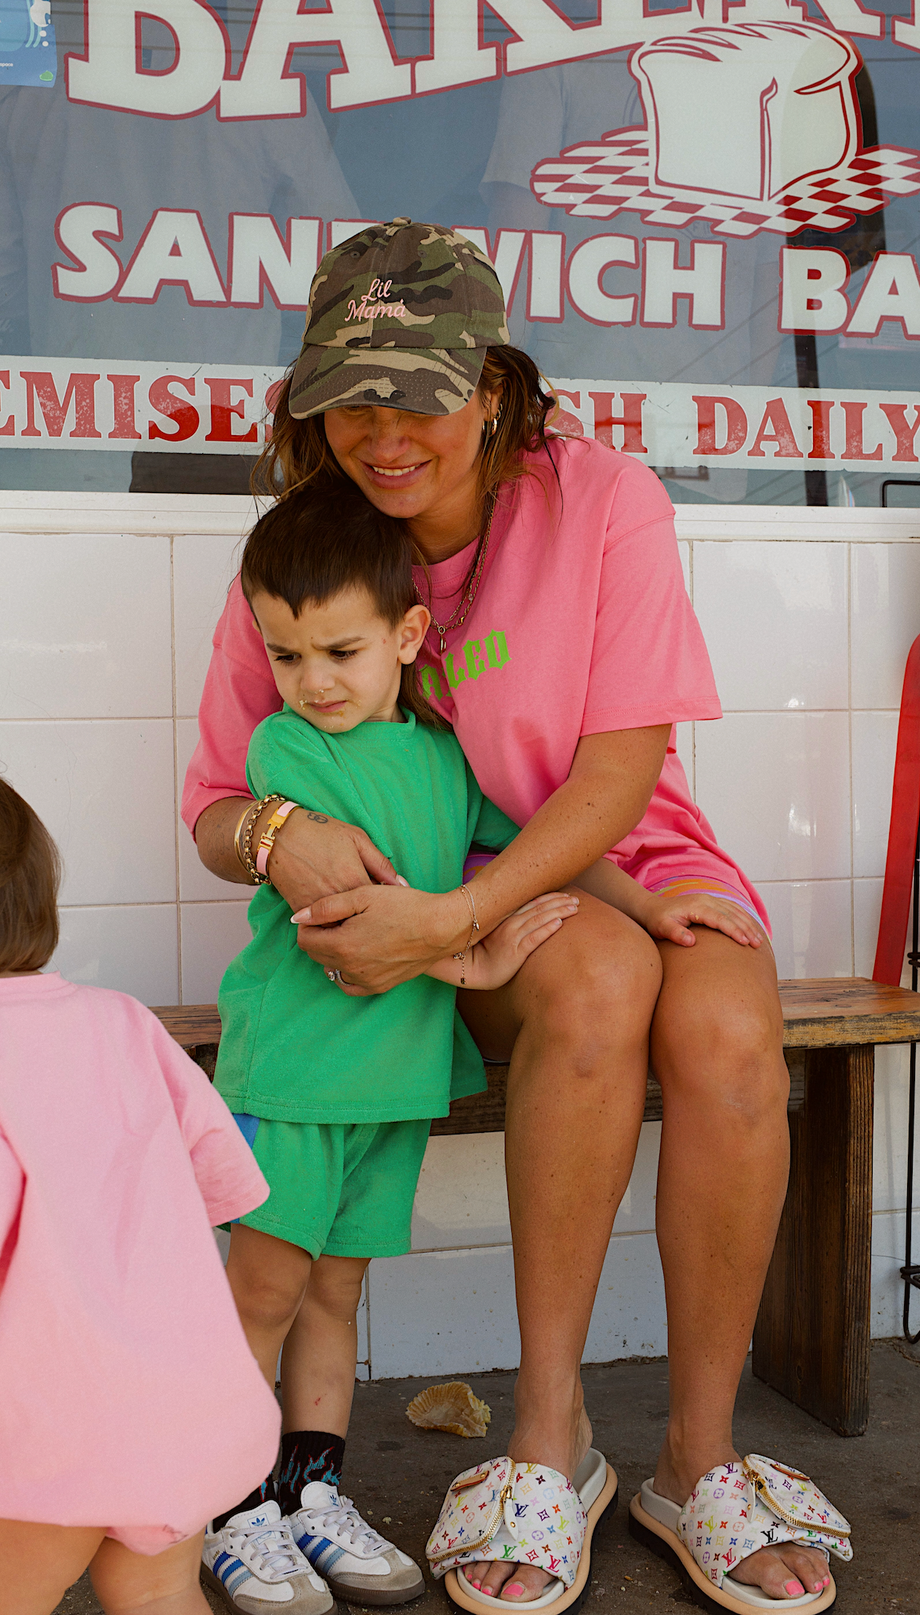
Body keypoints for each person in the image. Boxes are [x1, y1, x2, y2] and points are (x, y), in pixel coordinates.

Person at [182, 218, 852, 1613]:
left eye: (418, 396)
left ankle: (701, 1456)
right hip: (470, 901)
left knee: (731, 1031)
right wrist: (283, 836)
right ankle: (551, 1438)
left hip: (617, 851)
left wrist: (454, 918)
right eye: (351, 400)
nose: (384, 435)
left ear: (489, 387)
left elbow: (618, 771)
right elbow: (216, 806)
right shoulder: (312, 545)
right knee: (600, 984)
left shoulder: (600, 498)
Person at [204, 486, 580, 1615]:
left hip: (391, 1084)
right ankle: (224, 1504)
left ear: (409, 635)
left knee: (335, 1293)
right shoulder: (286, 750)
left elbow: (530, 847)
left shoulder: (447, 759)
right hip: (297, 1073)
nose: (311, 680)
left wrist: (656, 902)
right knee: (264, 1291)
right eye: (285, 654)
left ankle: (309, 1494)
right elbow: (356, 922)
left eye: (340, 650)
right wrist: (475, 960)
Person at [0, 777, 282, 1615]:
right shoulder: (123, 1021)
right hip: (182, 1408)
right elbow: (226, 1180)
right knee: (159, 1594)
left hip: (48, 1431)